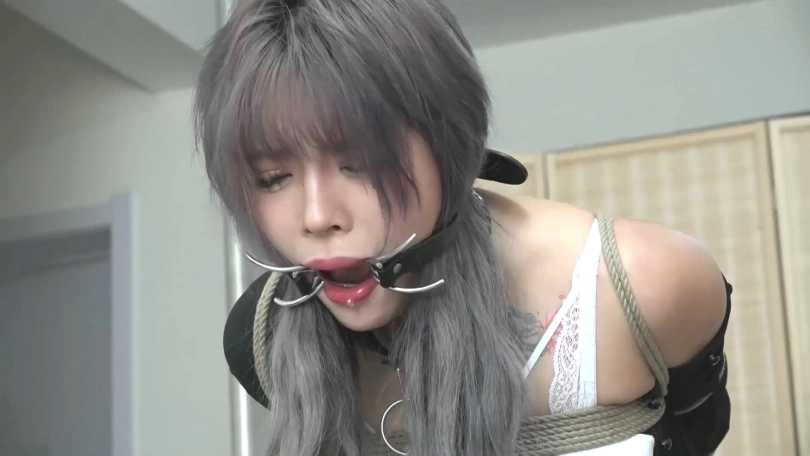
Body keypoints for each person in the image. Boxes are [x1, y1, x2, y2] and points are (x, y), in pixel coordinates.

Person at [195, 0, 732, 455]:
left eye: (359, 163)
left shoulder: (645, 283)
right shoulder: (261, 340)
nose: (316, 216)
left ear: (448, 140)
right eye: (272, 178)